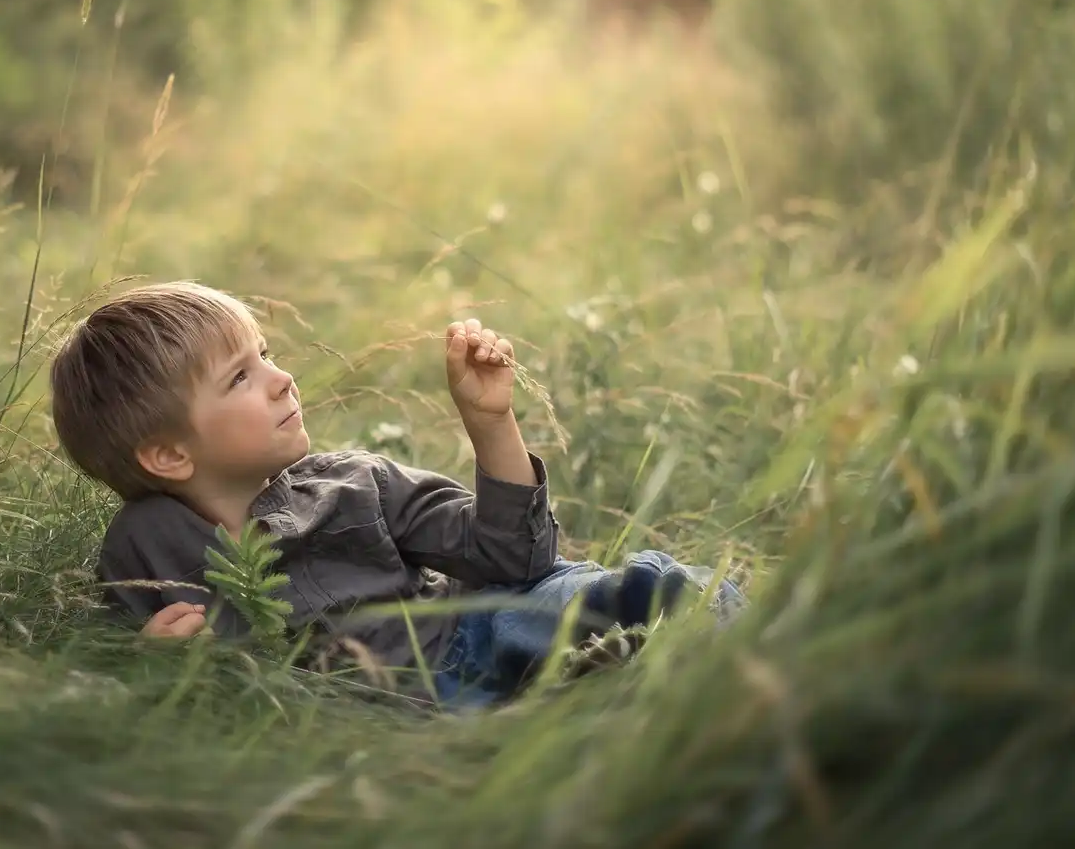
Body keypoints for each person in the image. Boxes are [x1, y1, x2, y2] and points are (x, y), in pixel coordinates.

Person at [49, 280, 743, 707]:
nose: (282, 378)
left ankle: (748, 640)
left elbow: (514, 561)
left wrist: (490, 423)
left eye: (267, 354)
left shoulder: (350, 482)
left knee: (621, 592)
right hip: (381, 713)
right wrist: (152, 668)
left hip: (475, 628)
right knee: (496, 729)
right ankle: (587, 691)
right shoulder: (147, 546)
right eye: (239, 378)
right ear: (169, 453)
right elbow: (154, 679)